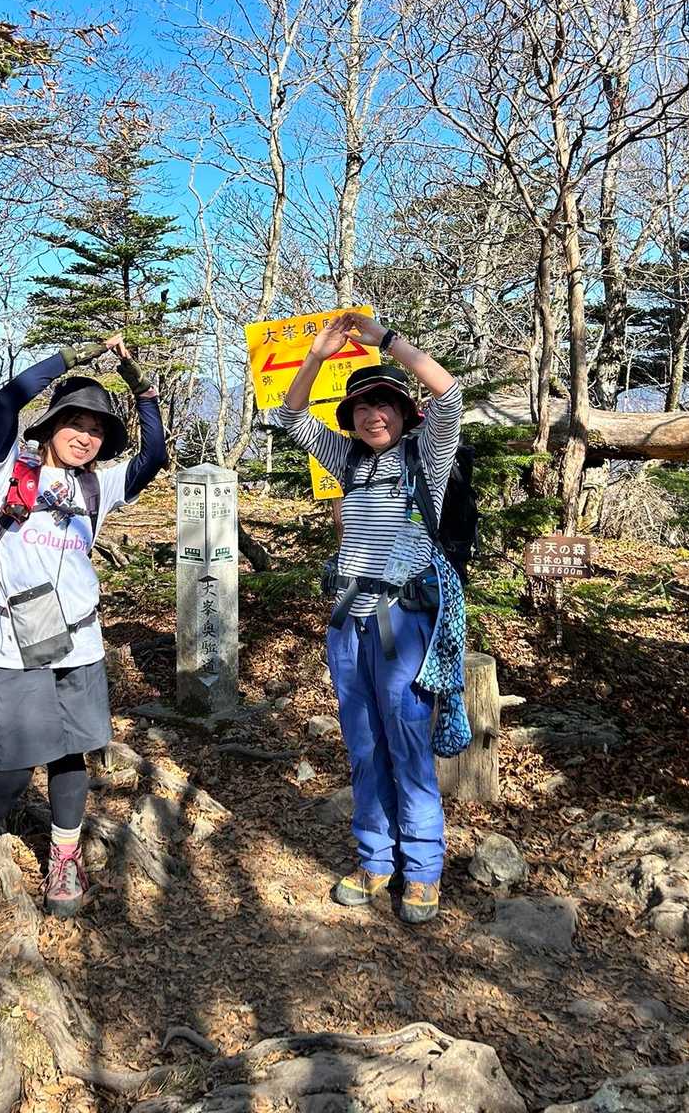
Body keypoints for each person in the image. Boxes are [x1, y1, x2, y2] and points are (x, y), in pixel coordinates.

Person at [0, 335, 166, 940]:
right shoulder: (8, 470)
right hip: (10, 643)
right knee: (10, 772)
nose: (85, 436)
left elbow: (154, 454)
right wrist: (77, 354)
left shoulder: (97, 488)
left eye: (96, 429)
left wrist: (138, 382)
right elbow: (8, 400)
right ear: (52, 426)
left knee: (70, 756)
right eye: (75, 423)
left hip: (79, 642)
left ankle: (64, 859)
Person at [275, 310, 463, 924]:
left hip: (403, 623)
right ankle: (375, 858)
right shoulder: (349, 460)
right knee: (362, 745)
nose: (372, 414)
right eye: (361, 406)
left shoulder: (426, 456)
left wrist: (383, 341)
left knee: (407, 743)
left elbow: (450, 393)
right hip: (348, 624)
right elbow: (289, 416)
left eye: (383, 404)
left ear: (404, 413)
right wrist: (318, 355)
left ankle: (424, 868)